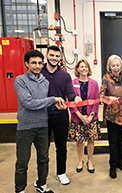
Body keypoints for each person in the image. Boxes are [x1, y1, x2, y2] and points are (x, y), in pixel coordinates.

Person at [14, 50, 66, 193]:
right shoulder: (20, 80)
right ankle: (20, 189)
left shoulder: (45, 82)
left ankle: (41, 184)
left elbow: (45, 103)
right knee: (22, 162)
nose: (37, 66)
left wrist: (57, 104)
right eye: (33, 63)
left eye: (39, 63)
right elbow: (28, 102)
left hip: (42, 126)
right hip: (25, 127)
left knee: (44, 159)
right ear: (26, 64)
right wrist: (52, 100)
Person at [41, 45, 81, 185]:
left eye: (57, 56)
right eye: (51, 55)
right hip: (42, 116)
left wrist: (74, 98)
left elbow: (70, 93)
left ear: (60, 58)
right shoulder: (39, 72)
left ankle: (61, 173)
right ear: (46, 56)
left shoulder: (65, 75)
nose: (54, 58)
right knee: (42, 148)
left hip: (60, 116)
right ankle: (42, 177)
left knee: (61, 146)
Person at [68, 59, 101, 174]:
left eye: (86, 67)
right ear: (77, 69)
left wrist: (90, 116)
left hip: (91, 118)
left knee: (91, 140)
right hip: (77, 117)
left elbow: (96, 102)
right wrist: (80, 116)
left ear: (88, 69)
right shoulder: (72, 83)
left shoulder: (94, 83)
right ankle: (80, 160)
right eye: (81, 67)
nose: (84, 69)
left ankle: (90, 161)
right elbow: (71, 102)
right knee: (79, 141)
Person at [99, 55, 122, 179]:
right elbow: (100, 96)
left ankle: (120, 162)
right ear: (109, 67)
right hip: (111, 116)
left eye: (117, 65)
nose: (116, 68)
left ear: (121, 65)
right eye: (113, 65)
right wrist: (108, 98)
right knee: (113, 142)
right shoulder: (106, 78)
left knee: (121, 141)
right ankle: (112, 165)